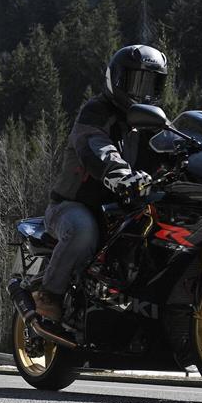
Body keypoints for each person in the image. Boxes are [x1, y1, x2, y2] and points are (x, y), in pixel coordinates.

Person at [34, 44, 168, 322]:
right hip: (73, 206)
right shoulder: (96, 112)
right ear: (116, 79)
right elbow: (96, 148)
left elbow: (171, 149)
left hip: (124, 209)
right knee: (83, 231)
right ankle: (49, 295)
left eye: (150, 83)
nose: (141, 91)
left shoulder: (149, 122)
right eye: (135, 81)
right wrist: (122, 176)